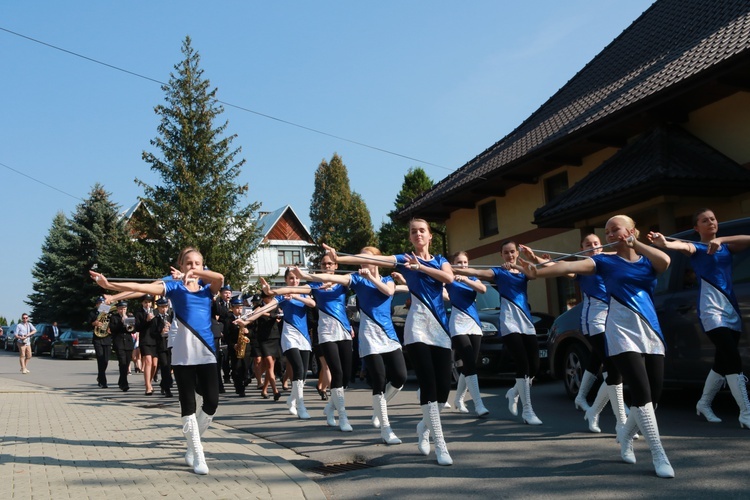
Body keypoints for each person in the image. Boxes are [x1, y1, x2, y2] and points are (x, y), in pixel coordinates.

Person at [520, 215, 674, 478]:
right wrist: (537, 269)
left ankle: (624, 435)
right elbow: (568, 268)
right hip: (620, 331)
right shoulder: (604, 261)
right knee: (641, 390)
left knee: (655, 396)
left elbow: (665, 261)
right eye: (607, 232)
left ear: (631, 230)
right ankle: (659, 454)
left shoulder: (648, 260)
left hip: (649, 330)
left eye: (616, 230)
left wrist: (637, 243)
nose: (610, 235)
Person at [322, 218, 454, 466]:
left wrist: (421, 268)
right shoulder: (403, 259)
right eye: (413, 231)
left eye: (422, 230)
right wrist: (338, 258)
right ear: (410, 237)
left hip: (440, 329)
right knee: (427, 383)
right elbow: (374, 260)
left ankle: (424, 428)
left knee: (443, 388)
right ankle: (441, 445)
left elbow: (448, 279)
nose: (418, 234)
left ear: (430, 235)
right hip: (417, 330)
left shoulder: (439, 260)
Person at [90, 246, 224, 475]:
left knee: (211, 402)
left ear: (203, 266)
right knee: (188, 404)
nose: (193, 267)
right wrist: (111, 287)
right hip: (183, 352)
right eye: (188, 263)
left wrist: (194, 275)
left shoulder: (206, 288)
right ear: (180, 266)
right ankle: (196, 451)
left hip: (207, 350)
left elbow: (220, 278)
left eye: (197, 264)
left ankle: (193, 442)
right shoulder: (172, 286)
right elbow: (140, 287)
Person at [292, 246, 408, 444]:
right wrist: (305, 275)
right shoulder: (356, 279)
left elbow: (389, 291)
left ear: (378, 261)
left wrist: (377, 277)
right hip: (369, 337)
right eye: (360, 259)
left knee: (400, 377)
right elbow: (333, 278)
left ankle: (378, 408)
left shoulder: (388, 279)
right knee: (378, 380)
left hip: (388, 336)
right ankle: (386, 429)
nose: (362, 262)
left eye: (366, 259)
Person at [649, 208, 750, 429]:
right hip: (711, 310)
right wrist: (663, 242)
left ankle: (704, 403)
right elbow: (678, 245)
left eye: (713, 219)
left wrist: (721, 239)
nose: (711, 222)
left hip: (730, 308)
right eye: (705, 220)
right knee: (733, 359)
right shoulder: (695, 248)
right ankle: (745, 412)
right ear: (697, 228)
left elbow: (748, 239)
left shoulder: (726, 247)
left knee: (722, 362)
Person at [454, 241, 543, 426]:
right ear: (501, 255)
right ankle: (528, 410)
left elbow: (535, 273)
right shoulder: (498, 272)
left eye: (512, 252)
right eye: (506, 253)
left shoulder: (523, 271)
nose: (509, 255)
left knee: (534, 366)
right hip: (509, 323)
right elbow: (478, 273)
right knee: (523, 365)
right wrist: (459, 271)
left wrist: (520, 263)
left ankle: (513, 392)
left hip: (526, 321)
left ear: (516, 254)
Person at [269, 255, 355, 432]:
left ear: (336, 265)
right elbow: (295, 290)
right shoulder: (314, 285)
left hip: (344, 330)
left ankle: (330, 408)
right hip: (325, 333)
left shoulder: (343, 282)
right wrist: (271, 290)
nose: (327, 265)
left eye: (330, 263)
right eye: (324, 264)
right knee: (336, 372)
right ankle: (343, 417)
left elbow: (359, 278)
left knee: (346, 376)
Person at [569, 235, 630, 436]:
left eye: (596, 243)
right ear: (582, 249)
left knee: (599, 362)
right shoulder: (583, 267)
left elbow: (623, 253)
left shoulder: (608, 262)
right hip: (593, 322)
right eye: (588, 245)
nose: (593, 247)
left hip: (612, 320)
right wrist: (536, 261)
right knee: (614, 368)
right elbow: (566, 270)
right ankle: (622, 419)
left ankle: (591, 408)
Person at [255, 270, 316, 420]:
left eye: (296, 278)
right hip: (289, 335)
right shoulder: (282, 296)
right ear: (286, 280)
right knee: (298, 369)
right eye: (291, 278)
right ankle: (301, 406)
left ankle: (292, 399)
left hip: (304, 337)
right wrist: (248, 318)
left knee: (302, 375)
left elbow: (312, 304)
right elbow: (267, 306)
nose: (294, 281)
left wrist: (295, 295)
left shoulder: (304, 293)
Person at [445, 251, 489, 417]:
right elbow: (437, 289)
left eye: (465, 262)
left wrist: (466, 279)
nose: (462, 265)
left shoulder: (473, 278)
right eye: (459, 262)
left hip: (474, 325)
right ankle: (478, 404)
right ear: (453, 264)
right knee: (469, 362)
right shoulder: (449, 278)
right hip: (458, 326)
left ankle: (458, 399)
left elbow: (483, 289)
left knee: (470, 364)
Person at [249, 293, 282, 401]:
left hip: (274, 336)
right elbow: (252, 318)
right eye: (269, 297)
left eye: (272, 298)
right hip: (263, 339)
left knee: (271, 365)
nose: (271, 299)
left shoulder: (275, 306)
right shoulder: (258, 307)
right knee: (269, 363)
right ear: (263, 298)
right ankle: (275, 390)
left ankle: (265, 390)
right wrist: (261, 312)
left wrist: (266, 313)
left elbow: (278, 316)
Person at [224, 296, 250, 397]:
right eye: (237, 308)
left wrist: (248, 331)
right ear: (232, 308)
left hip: (246, 347)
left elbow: (252, 331)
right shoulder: (229, 320)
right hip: (235, 347)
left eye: (240, 307)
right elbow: (226, 334)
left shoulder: (246, 318)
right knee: (236, 368)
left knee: (245, 367)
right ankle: (240, 388)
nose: (239, 310)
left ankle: (245, 380)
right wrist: (232, 345)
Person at [135, 295, 159, 396]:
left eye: (149, 302)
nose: (147, 304)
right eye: (145, 302)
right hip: (145, 339)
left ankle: (148, 381)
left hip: (156, 340)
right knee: (148, 361)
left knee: (154, 364)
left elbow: (159, 325)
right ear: (142, 303)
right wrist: (147, 320)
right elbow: (137, 327)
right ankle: (148, 387)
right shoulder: (139, 313)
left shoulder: (156, 311)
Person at [109, 300, 135, 392]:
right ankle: (124, 384)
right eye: (120, 309)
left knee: (127, 363)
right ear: (117, 309)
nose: (122, 310)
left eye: (124, 309)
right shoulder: (114, 317)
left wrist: (127, 321)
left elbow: (132, 330)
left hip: (128, 343)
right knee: (122, 362)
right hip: (119, 342)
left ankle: (121, 381)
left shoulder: (130, 316)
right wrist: (121, 322)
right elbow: (112, 329)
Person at [212, 284, 233, 393]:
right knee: (221, 358)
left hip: (232, 333)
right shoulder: (217, 302)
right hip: (221, 333)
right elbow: (219, 314)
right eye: (225, 292)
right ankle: (223, 378)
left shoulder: (234, 303)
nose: (227, 295)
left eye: (229, 292)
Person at [88, 296, 112, 388]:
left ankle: (100, 376)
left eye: (103, 303)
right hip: (97, 339)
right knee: (100, 359)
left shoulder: (109, 313)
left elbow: (113, 323)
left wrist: (110, 328)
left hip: (107, 339)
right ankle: (103, 381)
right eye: (100, 303)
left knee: (105, 360)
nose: (102, 305)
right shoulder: (92, 313)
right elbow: (88, 325)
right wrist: (94, 323)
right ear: (96, 304)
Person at [154, 297, 174, 398]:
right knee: (165, 366)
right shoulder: (156, 319)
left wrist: (171, 327)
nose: (164, 309)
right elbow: (153, 333)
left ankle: (164, 384)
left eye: (165, 307)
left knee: (170, 367)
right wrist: (161, 331)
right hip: (161, 346)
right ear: (158, 308)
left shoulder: (171, 317)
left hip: (171, 345)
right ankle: (167, 389)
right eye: (161, 307)